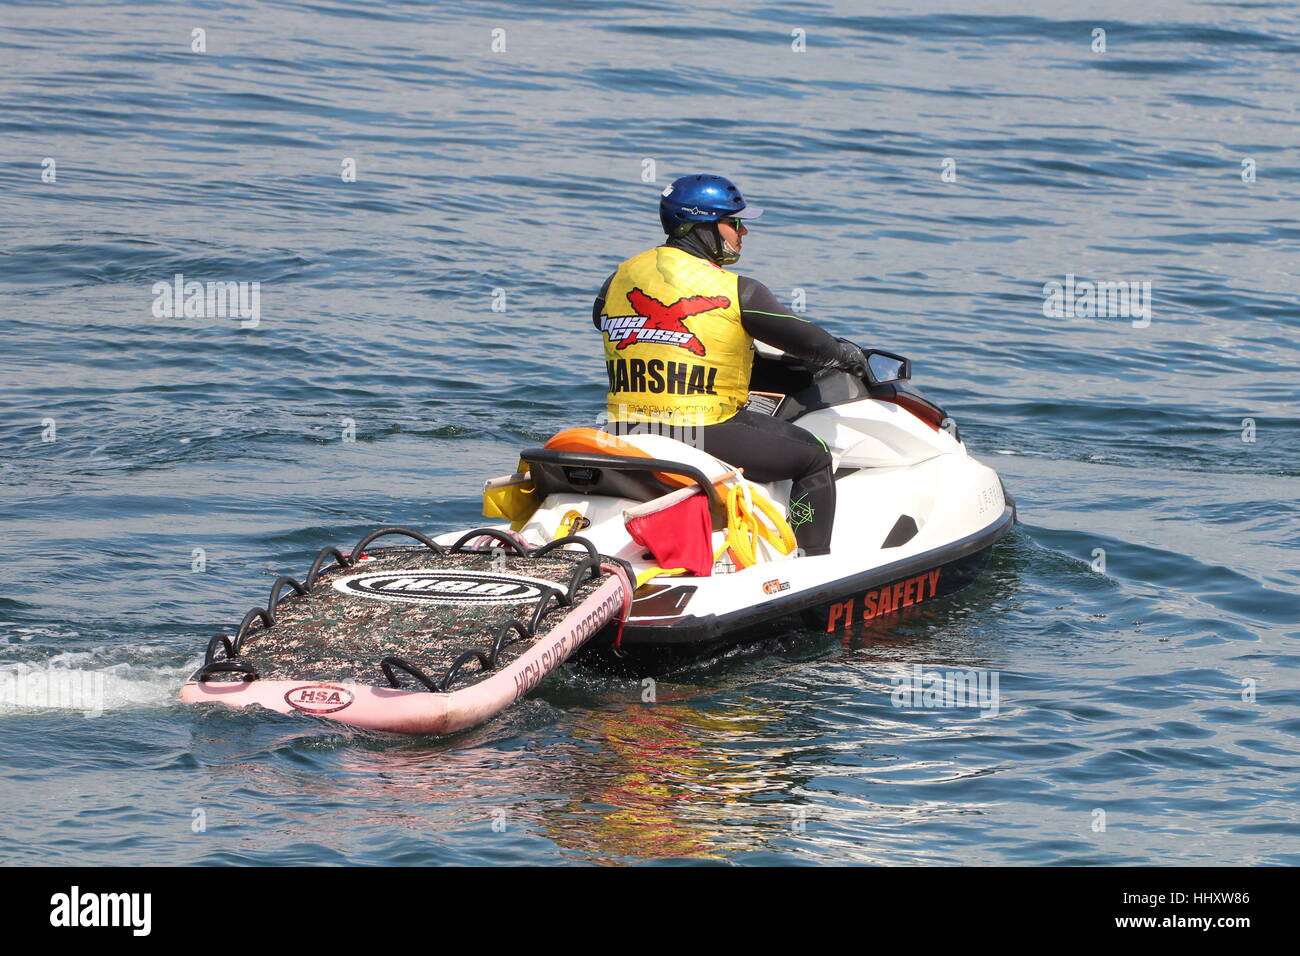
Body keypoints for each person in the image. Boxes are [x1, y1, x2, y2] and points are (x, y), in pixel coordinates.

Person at [591, 174, 867, 556]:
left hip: (626, 426)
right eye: (735, 222)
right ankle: (811, 563)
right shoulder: (737, 290)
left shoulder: (617, 279)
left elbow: (605, 322)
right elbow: (812, 344)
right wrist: (848, 355)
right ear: (701, 227)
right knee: (815, 457)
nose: (744, 232)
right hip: (702, 430)